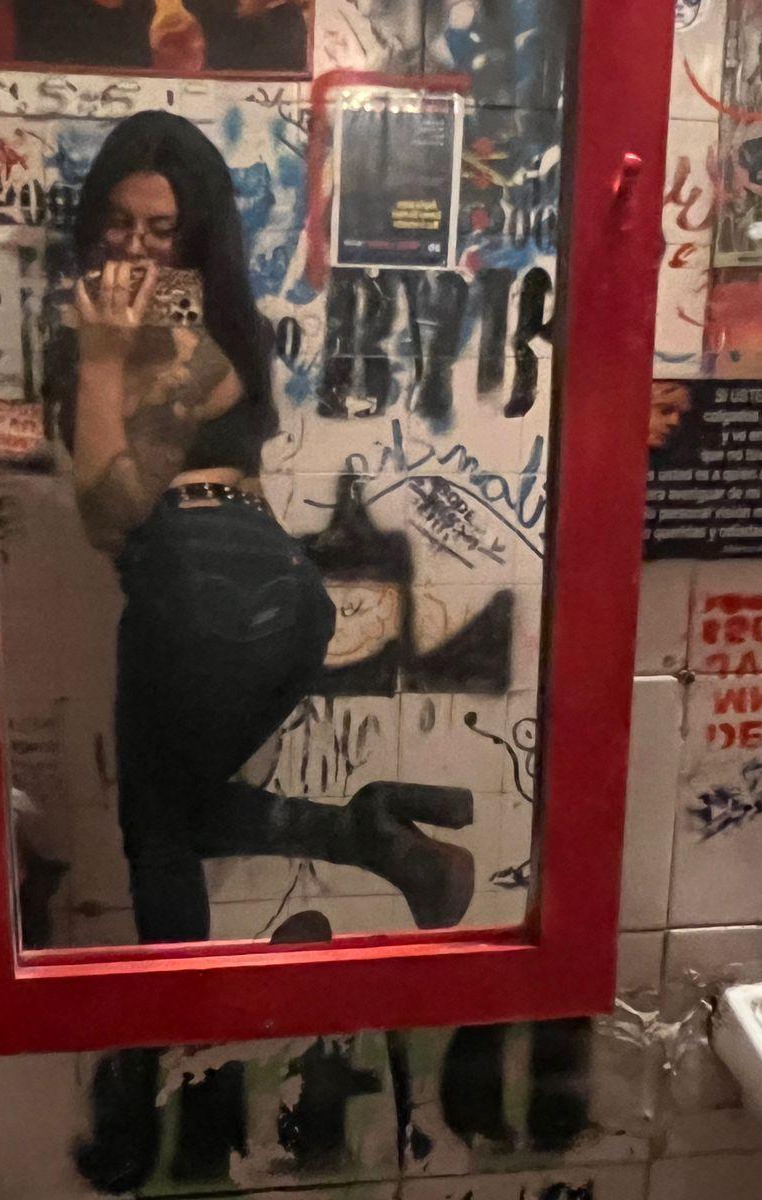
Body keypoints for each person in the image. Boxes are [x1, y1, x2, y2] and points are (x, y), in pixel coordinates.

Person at [48, 111, 475, 945]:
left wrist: (98, 360)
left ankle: (186, 1011)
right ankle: (373, 835)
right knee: (174, 811)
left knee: (159, 836)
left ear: (195, 235)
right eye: (120, 222)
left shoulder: (173, 343)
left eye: (162, 230)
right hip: (277, 599)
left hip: (200, 591)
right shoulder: (220, 330)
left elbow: (107, 516)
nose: (136, 248)